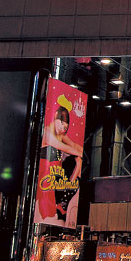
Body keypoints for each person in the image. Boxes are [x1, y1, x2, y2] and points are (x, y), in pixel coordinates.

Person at [36, 95, 83, 226]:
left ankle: (62, 205)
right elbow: (65, 147)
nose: (63, 127)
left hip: (56, 175)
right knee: (46, 211)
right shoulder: (47, 133)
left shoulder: (60, 135)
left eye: (66, 125)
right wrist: (79, 153)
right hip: (44, 174)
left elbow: (74, 146)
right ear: (55, 116)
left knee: (77, 162)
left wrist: (80, 155)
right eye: (61, 123)